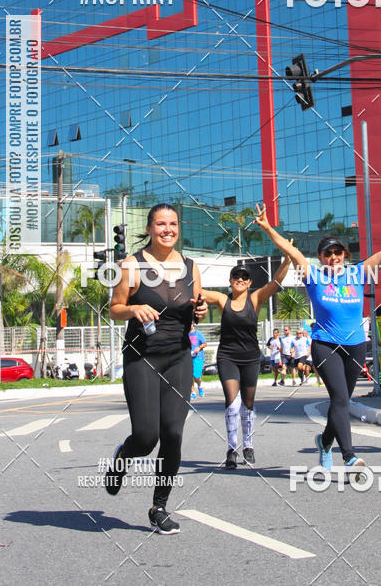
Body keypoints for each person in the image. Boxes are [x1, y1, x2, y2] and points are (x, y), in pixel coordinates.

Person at [256, 202, 381, 472]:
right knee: (338, 398)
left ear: (345, 255)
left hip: (356, 345)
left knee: (342, 402)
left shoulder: (357, 273)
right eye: (327, 253)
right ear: (321, 257)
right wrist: (268, 228)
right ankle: (349, 455)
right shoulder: (312, 276)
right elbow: (290, 250)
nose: (333, 257)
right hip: (325, 345)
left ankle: (325, 442)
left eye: (338, 252)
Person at [105, 202, 207, 535]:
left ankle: (159, 506)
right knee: (146, 437)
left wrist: (201, 311)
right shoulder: (130, 266)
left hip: (179, 357)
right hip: (142, 357)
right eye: (161, 224)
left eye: (173, 224)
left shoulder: (192, 267)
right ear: (149, 228)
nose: (168, 230)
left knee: (173, 435)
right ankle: (123, 456)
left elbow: (194, 308)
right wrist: (134, 308)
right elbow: (114, 309)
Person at [202, 252, 291, 469]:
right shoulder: (223, 300)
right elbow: (196, 291)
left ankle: (248, 445)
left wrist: (287, 260)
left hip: (251, 358)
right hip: (227, 358)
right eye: (236, 277)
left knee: (248, 405)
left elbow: (276, 282)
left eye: (244, 277)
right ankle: (232, 449)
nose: (240, 279)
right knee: (233, 405)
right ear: (230, 281)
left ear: (249, 282)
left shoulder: (255, 298)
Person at [189, 322, 207, 399]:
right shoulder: (184, 334)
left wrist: (199, 348)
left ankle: (200, 387)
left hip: (198, 357)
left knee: (196, 376)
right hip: (188, 357)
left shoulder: (198, 334)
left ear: (193, 324)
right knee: (189, 376)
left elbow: (205, 343)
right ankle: (193, 393)